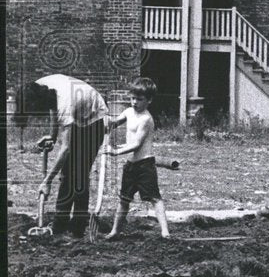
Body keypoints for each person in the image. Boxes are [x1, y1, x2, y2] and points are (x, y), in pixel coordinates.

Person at [13, 74, 108, 238]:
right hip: (76, 115)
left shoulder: (64, 101)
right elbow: (53, 108)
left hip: (94, 120)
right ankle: (60, 224)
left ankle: (77, 227)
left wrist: (47, 182)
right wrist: (53, 136)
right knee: (67, 175)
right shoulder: (39, 87)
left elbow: (65, 149)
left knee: (79, 175)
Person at [104, 78, 169, 240]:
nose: (134, 102)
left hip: (145, 165)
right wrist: (107, 123)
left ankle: (165, 232)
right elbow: (114, 123)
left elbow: (136, 145)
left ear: (149, 100)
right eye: (132, 98)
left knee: (154, 198)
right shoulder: (128, 112)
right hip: (131, 165)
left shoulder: (146, 119)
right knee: (124, 199)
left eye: (139, 99)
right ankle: (115, 231)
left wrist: (115, 151)